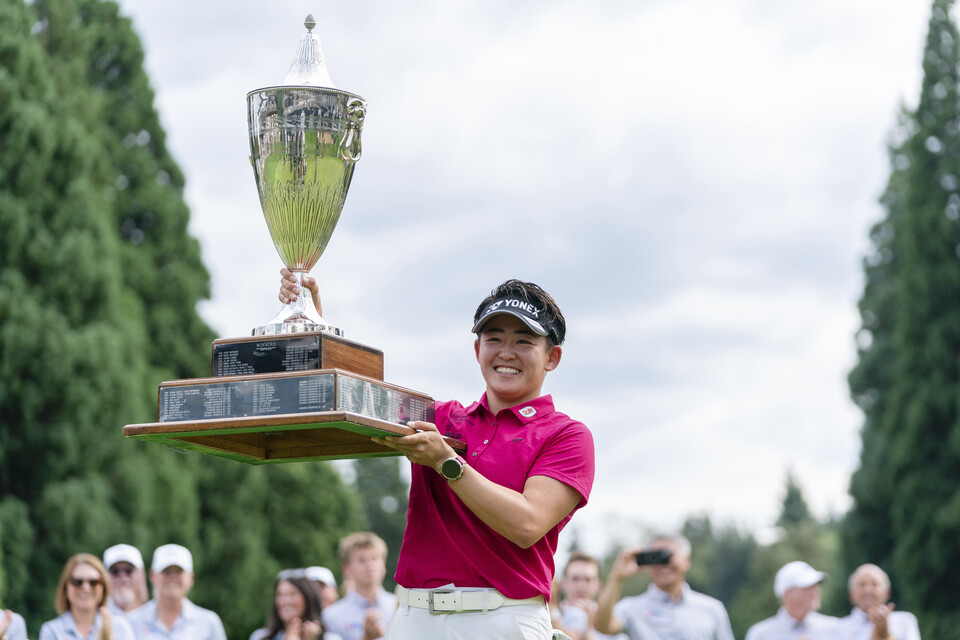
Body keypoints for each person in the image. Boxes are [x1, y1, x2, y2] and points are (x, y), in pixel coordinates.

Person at [281, 274, 596, 640]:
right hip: (414, 617)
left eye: (523, 341)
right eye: (494, 339)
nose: (506, 352)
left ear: (552, 357)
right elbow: (352, 396)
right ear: (478, 350)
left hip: (503, 619)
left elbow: (526, 525)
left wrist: (446, 463)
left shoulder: (567, 435)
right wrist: (311, 319)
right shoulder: (443, 418)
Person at [595, 534, 734, 640]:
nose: (662, 564)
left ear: (686, 561)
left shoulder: (713, 609)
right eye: (655, 557)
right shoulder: (631, 608)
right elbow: (603, 626)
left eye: (667, 555)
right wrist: (617, 577)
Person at [126, 544, 226, 640]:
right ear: (152, 576)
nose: (172, 577)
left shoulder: (209, 623)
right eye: (166, 571)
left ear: (191, 578)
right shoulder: (131, 623)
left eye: (178, 572)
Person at [38, 553, 135, 640]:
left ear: (103, 588)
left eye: (93, 582)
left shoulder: (120, 627)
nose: (85, 587)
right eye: (77, 582)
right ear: (65, 587)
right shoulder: (51, 630)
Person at [320, 533, 395, 640]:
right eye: (361, 560)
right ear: (346, 569)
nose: (370, 564)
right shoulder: (330, 616)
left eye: (374, 558)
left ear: (384, 565)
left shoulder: (399, 608)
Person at [745, 561, 839, 640]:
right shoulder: (761, 635)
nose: (816, 591)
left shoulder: (834, 628)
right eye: (808, 586)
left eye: (816, 586)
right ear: (787, 594)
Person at [551, 552, 624, 640]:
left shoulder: (612, 619)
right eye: (575, 579)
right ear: (563, 583)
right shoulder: (546, 613)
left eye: (587, 580)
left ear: (598, 585)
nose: (581, 586)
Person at [838, 564, 921, 640]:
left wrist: (886, 635)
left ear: (887, 593)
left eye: (875, 584)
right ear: (851, 595)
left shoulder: (905, 621)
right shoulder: (839, 627)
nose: (868, 590)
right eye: (861, 585)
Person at [251, 572, 341, 640]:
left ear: (308, 598)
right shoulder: (260, 636)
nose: (285, 601)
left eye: (292, 594)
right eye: (280, 595)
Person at [103, 544, 149, 615]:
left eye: (128, 571)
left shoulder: (156, 615)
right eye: (115, 571)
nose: (122, 576)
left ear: (141, 574)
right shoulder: (96, 618)